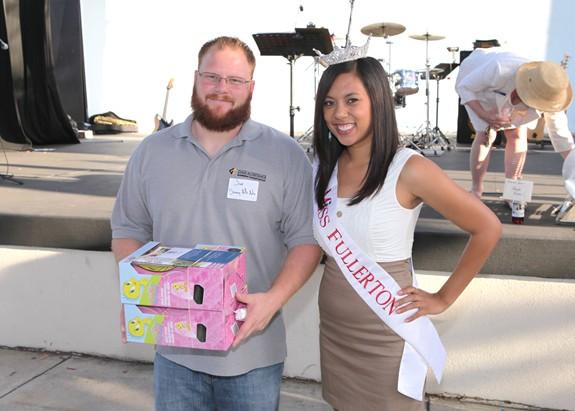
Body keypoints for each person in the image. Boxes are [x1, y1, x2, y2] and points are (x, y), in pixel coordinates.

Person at [111, 36, 321, 411]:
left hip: (253, 355)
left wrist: (272, 301)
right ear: (196, 79)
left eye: (235, 80)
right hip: (175, 355)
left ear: (251, 88)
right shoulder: (152, 152)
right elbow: (128, 230)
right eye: (212, 77)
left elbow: (307, 240)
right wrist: (140, 291)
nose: (222, 89)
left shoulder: (285, 155)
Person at [312, 56, 502, 410]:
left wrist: (443, 298)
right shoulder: (325, 167)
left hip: (387, 331)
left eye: (352, 100)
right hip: (335, 331)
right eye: (329, 103)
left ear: (378, 102)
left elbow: (487, 228)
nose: (339, 113)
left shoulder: (409, 168)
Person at [455, 47, 574, 202]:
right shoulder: (500, 68)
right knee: (485, 135)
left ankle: (512, 191)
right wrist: (484, 114)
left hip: (509, 92)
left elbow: (561, 137)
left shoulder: (552, 96)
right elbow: (464, 87)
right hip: (482, 92)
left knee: (517, 134)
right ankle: (476, 189)